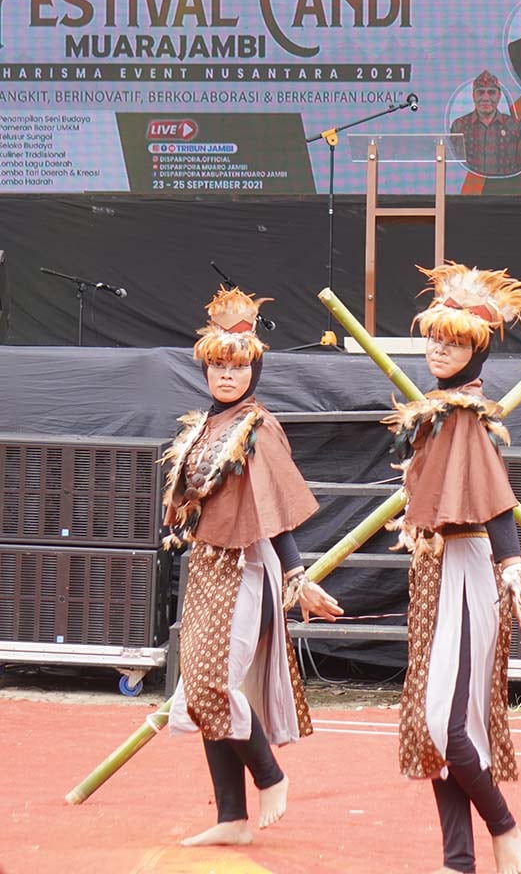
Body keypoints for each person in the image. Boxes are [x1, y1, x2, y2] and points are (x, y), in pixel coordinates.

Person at [384, 262, 521, 874]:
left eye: (455, 341)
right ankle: (458, 859)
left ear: (478, 349)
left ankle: (504, 826)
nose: (439, 349)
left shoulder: (467, 416)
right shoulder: (439, 411)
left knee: (447, 722)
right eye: (434, 337)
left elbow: (495, 500)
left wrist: (513, 568)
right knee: (435, 724)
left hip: (466, 572)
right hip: (432, 572)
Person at [163, 285, 342, 848]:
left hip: (245, 565)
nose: (226, 375)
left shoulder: (258, 426)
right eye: (218, 366)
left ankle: (270, 776)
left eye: (237, 367)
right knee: (199, 689)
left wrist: (295, 575)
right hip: (206, 565)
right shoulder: (205, 424)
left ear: (254, 370)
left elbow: (275, 509)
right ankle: (231, 817)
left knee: (212, 683)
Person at [451, 71, 521, 177]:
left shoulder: (513, 126)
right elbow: (453, 167)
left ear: (499, 96)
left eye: (491, 92)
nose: (486, 98)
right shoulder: (459, 126)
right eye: (480, 92)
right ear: (473, 96)